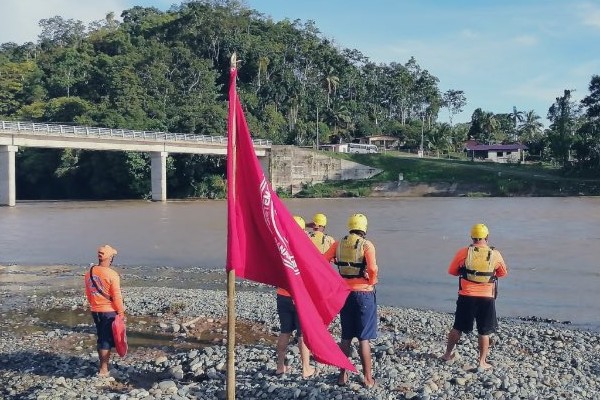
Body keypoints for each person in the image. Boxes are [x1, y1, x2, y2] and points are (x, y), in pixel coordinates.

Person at [441, 223, 508, 369]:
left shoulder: (463, 252)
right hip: (486, 298)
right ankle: (482, 362)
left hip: (466, 296)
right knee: (484, 331)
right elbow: (503, 273)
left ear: (472, 237)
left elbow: (452, 271)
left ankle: (447, 354)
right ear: (487, 237)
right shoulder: (495, 254)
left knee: (457, 327)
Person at [323, 213, 378, 388]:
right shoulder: (367, 245)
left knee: (346, 336)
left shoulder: (338, 244)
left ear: (350, 226)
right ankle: (368, 378)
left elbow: (324, 261)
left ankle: (342, 375)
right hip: (364, 295)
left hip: (344, 294)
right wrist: (372, 281)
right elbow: (372, 268)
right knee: (363, 338)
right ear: (364, 228)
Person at [274, 216, 317, 379]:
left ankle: (280, 366)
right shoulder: (302, 250)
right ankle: (306, 368)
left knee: (285, 331)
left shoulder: (281, 247)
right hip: (298, 296)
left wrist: (304, 225)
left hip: (282, 294)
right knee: (301, 333)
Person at [84, 245, 125, 377]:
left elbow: (89, 293)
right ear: (110, 258)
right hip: (109, 311)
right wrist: (121, 312)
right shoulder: (112, 275)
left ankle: (104, 365)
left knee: (102, 337)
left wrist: (94, 305)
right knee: (105, 339)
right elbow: (117, 296)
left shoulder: (89, 272)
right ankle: (103, 370)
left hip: (95, 310)